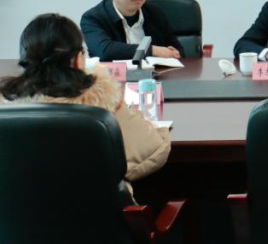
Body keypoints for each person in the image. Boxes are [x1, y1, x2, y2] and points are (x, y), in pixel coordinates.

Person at [1, 14, 170, 188]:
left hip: (18, 205)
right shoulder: (103, 101)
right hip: (97, 205)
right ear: (76, 59)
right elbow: (152, 149)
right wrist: (159, 130)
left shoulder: (6, 108)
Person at [81, 0, 185, 61]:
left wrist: (175, 53)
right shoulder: (92, 18)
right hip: (115, 74)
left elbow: (178, 51)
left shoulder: (155, 13)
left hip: (156, 73)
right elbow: (104, 51)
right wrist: (153, 50)